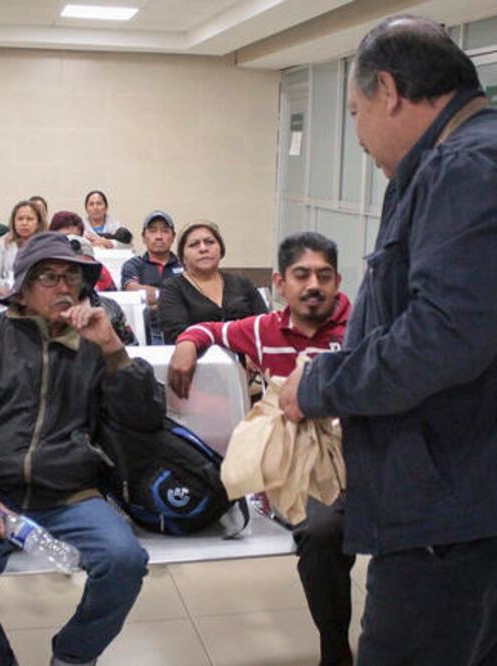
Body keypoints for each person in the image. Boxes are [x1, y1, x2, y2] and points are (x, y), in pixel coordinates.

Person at [278, 17, 497, 666]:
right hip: (482, 483)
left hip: (463, 492)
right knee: (484, 649)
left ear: (388, 90)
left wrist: (320, 384)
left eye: (354, 112)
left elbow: (443, 336)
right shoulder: (478, 154)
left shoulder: (470, 165)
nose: (357, 135)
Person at [0, 231, 162, 666]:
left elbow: (144, 420)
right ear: (22, 290)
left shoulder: (93, 344)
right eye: (49, 277)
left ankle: (73, 656)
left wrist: (113, 350)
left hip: (70, 492)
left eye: (72, 277)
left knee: (125, 562)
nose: (64, 287)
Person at [168, 232, 353, 665]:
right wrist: (186, 345)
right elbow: (209, 329)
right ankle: (336, 647)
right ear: (280, 283)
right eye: (301, 275)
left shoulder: (361, 326)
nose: (314, 285)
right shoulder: (263, 329)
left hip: (366, 450)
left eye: (324, 275)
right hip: (303, 462)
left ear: (338, 281)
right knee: (322, 530)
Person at [158, 221, 267, 344]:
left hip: (249, 354)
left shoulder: (242, 283)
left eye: (209, 242)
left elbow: (264, 326)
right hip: (198, 354)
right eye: (194, 244)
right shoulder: (173, 288)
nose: (203, 249)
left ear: (221, 250)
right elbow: (176, 335)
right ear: (183, 257)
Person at [121, 210, 184, 344]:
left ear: (173, 237)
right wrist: (175, 297)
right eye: (153, 231)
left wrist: (154, 300)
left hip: (180, 329)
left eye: (165, 231)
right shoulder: (133, 265)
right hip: (145, 328)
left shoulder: (185, 266)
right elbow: (133, 292)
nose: (159, 236)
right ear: (144, 237)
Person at [68, 234, 138, 346]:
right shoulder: (46, 310)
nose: (77, 276)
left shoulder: (111, 307)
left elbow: (132, 348)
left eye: (84, 269)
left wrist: (110, 340)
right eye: (71, 270)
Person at [0, 200, 47, 298]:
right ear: (13, 221)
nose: (24, 223)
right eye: (20, 219)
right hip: (7, 296)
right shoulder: (5, 242)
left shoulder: (46, 244)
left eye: (29, 219)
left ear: (38, 222)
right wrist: (2, 288)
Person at [50, 211, 118, 291]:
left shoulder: (97, 269)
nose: (72, 240)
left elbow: (112, 294)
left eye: (77, 236)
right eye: (66, 236)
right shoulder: (44, 267)